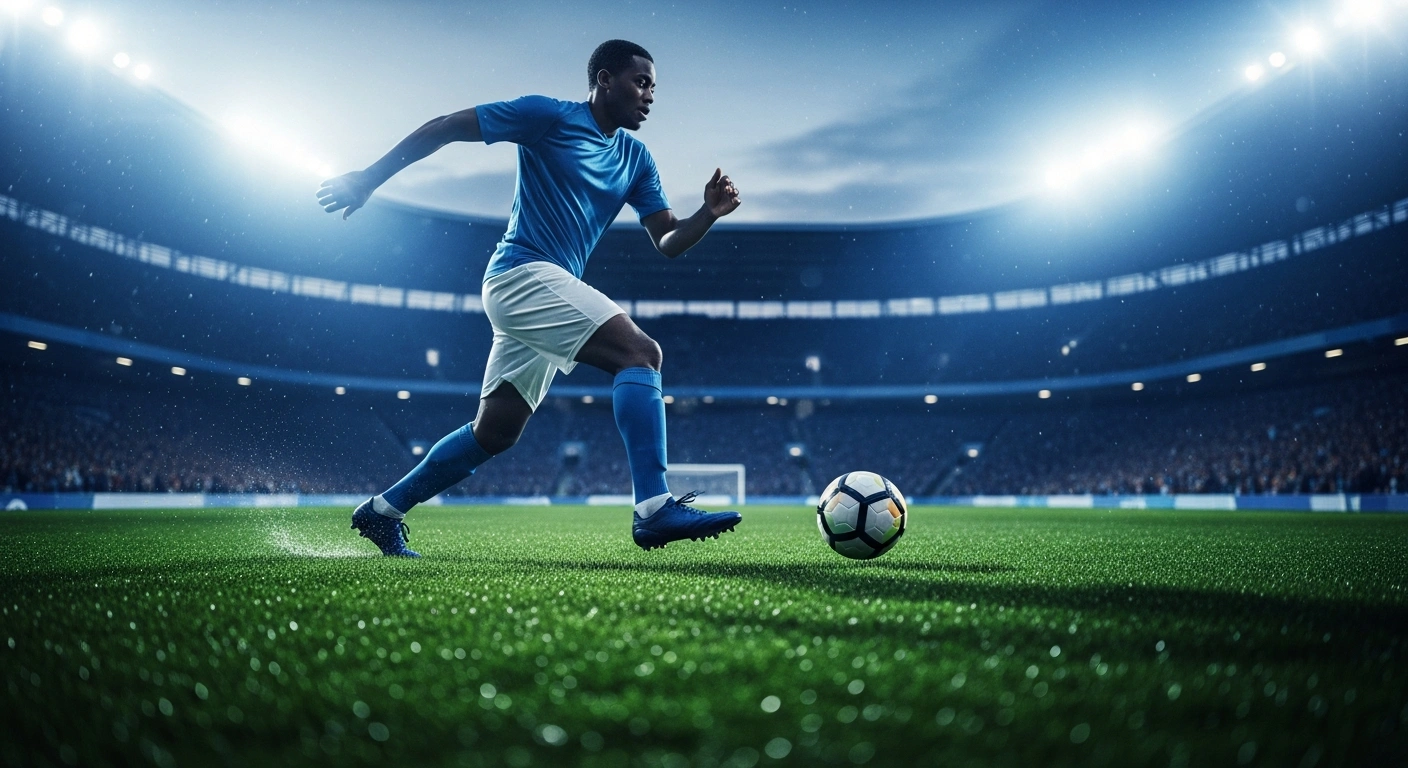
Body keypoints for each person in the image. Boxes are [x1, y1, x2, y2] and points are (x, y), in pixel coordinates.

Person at [317, 39, 743, 557]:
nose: (650, 95)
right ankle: (654, 508)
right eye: (641, 82)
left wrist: (708, 215)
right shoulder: (548, 116)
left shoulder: (636, 158)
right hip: (521, 274)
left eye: (654, 86)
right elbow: (446, 126)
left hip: (544, 289)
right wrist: (367, 179)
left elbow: (667, 240)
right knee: (641, 353)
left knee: (494, 433)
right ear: (604, 79)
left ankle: (383, 512)